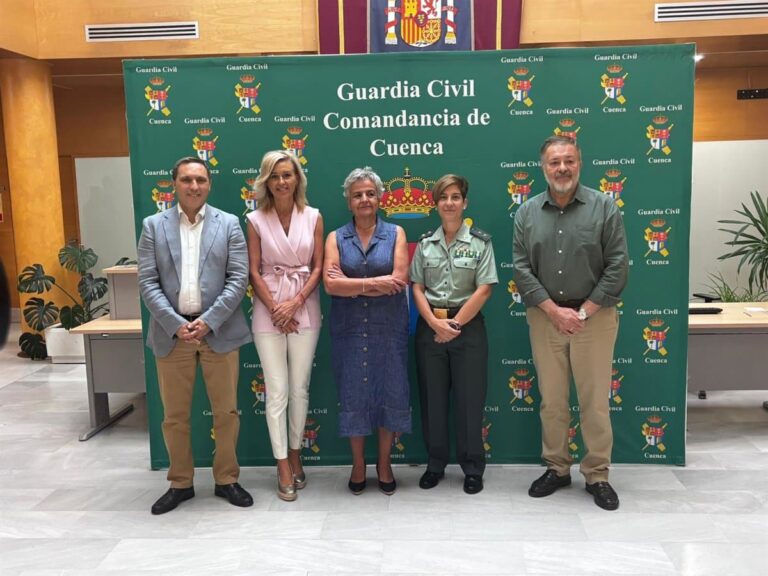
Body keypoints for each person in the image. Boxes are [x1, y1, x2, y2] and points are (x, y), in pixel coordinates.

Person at [512, 135, 628, 511]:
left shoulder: (604, 206)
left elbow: (617, 266)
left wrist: (581, 313)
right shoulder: (527, 212)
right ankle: (557, 468)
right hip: (546, 318)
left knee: (594, 402)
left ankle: (597, 474)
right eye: (554, 162)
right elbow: (521, 269)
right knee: (553, 401)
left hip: (593, 319)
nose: (562, 168)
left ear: (579, 163)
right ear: (543, 167)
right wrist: (554, 311)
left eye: (568, 161)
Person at [138, 156, 253, 515]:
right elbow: (146, 281)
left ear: (209, 184)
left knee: (227, 412)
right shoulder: (153, 226)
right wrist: (175, 323)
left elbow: (238, 279)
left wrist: (209, 320)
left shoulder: (230, 224)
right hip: (172, 335)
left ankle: (227, 479)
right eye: (187, 179)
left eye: (201, 180)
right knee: (174, 415)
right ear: (174, 183)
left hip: (218, 332)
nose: (194, 186)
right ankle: (180, 483)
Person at [323, 167, 410, 496]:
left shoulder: (396, 233)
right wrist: (375, 283)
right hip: (349, 330)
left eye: (370, 193)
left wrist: (353, 285)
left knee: (391, 391)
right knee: (353, 394)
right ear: (349, 201)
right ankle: (358, 464)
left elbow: (398, 280)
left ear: (380, 198)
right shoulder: (335, 237)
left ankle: (384, 464)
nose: (364, 199)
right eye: (357, 195)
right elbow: (331, 285)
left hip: (389, 329)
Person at [410, 174, 497, 495]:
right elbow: (416, 287)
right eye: (443, 197)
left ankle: (472, 467)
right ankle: (435, 464)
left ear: (465, 203)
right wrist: (435, 324)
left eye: (455, 197)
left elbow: (485, 288)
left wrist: (455, 326)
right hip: (430, 329)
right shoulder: (425, 244)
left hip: (468, 330)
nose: (449, 203)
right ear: (435, 204)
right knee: (432, 400)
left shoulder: (481, 242)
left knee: (469, 401)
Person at [246, 150, 323, 502]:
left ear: (297, 179)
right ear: (266, 181)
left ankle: (296, 453)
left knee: (300, 388)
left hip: (304, 307)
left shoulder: (314, 216)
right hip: (267, 308)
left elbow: (319, 267)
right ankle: (281, 463)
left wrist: (295, 302)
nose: (282, 181)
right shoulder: (255, 220)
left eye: (288, 174)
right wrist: (277, 307)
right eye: (275, 175)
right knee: (276, 390)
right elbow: (253, 269)